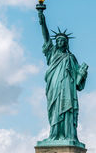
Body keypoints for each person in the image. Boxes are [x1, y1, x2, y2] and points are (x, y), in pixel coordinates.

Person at [38, 10, 88, 144]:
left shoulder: (71, 58)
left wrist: (82, 74)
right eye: (58, 40)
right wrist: (41, 16)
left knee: (67, 109)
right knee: (55, 109)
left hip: (67, 87)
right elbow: (46, 36)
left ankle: (68, 135)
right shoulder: (52, 53)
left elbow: (78, 82)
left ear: (66, 43)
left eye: (63, 40)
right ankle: (54, 135)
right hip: (54, 86)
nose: (60, 42)